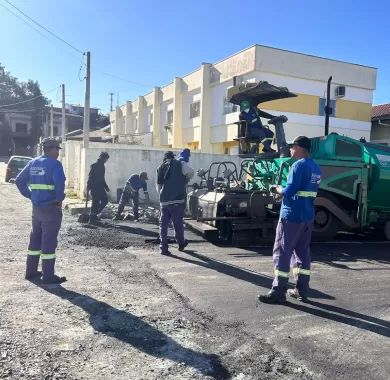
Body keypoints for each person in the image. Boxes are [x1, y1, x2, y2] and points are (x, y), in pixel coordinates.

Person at [258, 136, 321, 304]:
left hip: (291, 215)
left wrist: (277, 189)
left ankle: (278, 291)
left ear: (300, 148)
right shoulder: (315, 167)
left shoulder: (297, 166)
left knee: (282, 252)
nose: (291, 149)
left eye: (293, 146)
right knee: (302, 253)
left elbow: (290, 190)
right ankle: (302, 290)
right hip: (307, 216)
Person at [15, 138, 66, 284]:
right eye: (57, 149)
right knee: (49, 242)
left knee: (35, 239)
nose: (58, 152)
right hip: (51, 208)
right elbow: (59, 186)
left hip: (36, 209)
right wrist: (58, 199)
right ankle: (48, 276)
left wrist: (31, 195)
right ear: (53, 149)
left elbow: (19, 181)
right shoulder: (55, 164)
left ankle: (30, 272)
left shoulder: (33, 162)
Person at [156, 150, 194, 255]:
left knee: (163, 225)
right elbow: (191, 172)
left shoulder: (160, 168)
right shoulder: (179, 163)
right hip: (177, 200)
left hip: (164, 202)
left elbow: (158, 187)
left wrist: (163, 196)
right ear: (173, 157)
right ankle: (181, 243)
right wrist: (185, 180)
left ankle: (163, 248)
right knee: (177, 223)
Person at [87, 152, 110, 223]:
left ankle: (94, 215)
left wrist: (106, 186)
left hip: (100, 187)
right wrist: (88, 186)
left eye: (107, 159)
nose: (106, 160)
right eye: (105, 159)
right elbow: (90, 177)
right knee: (95, 202)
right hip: (94, 187)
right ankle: (92, 218)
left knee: (105, 200)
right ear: (102, 157)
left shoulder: (102, 166)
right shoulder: (94, 165)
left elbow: (102, 178)